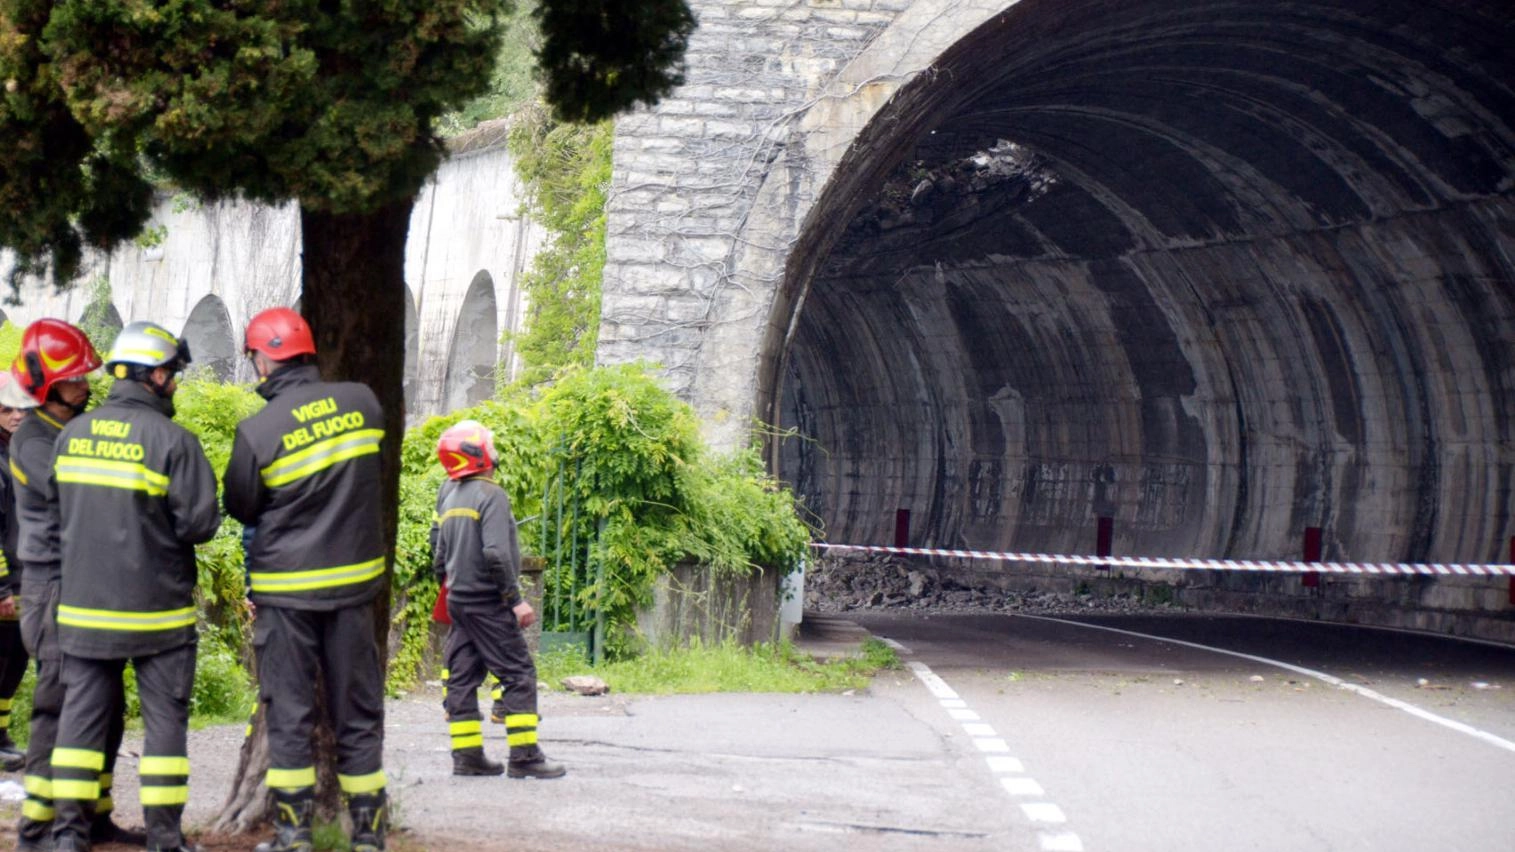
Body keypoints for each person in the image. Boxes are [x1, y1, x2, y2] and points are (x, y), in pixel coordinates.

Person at [48, 322, 221, 852]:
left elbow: (56, 517)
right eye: (174, 375)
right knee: (165, 729)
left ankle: (68, 837)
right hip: (158, 618)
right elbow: (200, 525)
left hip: (82, 612)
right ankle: (165, 838)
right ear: (158, 376)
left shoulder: (71, 436)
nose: (176, 385)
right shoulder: (175, 442)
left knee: (78, 728)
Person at [222, 307, 388, 852]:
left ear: (265, 360)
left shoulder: (257, 431)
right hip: (354, 591)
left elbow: (242, 507)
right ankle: (369, 835)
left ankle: (294, 837)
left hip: (286, 595)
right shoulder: (363, 402)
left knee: (290, 715)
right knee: (358, 714)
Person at [9, 319, 142, 851]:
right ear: (47, 384)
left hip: (90, 583)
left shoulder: (75, 430)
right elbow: (82, 496)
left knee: (105, 706)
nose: (86, 384)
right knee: (59, 705)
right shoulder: (33, 440)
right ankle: (38, 828)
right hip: (54, 587)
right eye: (76, 377)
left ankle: (94, 816)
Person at [431, 420, 564, 780]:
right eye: (487, 444)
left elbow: (438, 551)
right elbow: (496, 554)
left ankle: (467, 757)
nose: (492, 449)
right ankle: (524, 757)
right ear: (476, 454)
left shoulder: (449, 493)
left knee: (461, 677)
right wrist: (515, 599)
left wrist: (448, 584)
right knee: (518, 673)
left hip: (459, 598)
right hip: (488, 601)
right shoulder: (491, 495)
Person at [0, 371, 31, 772]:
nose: (16, 415)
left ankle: (2, 735)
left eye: (22, 407)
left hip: (26, 578)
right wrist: (3, 588)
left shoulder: (20, 453)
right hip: (6, 582)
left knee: (15, 660)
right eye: (7, 409)